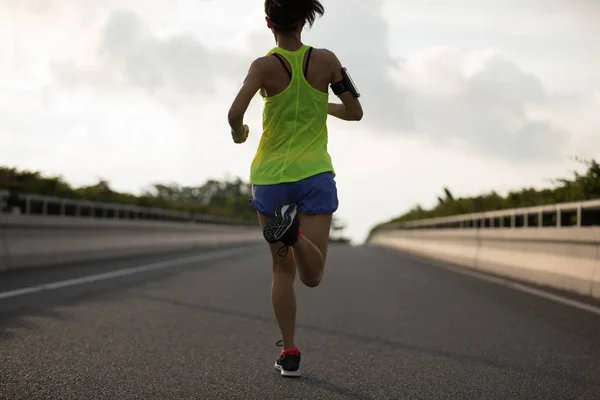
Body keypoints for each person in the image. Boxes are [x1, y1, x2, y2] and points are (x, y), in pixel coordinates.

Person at [227, 0, 363, 377]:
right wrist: (322, 104)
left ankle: (289, 352)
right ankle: (296, 236)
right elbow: (355, 112)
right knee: (312, 275)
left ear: (268, 21)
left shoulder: (263, 66)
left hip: (270, 179)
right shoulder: (327, 61)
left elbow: (234, 114)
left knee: (281, 272)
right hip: (314, 175)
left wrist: (240, 135)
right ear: (305, 21)